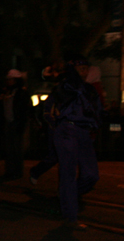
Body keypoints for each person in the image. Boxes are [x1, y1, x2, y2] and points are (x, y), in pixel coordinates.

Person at [42, 55, 101, 229]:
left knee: (91, 175)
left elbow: (97, 111)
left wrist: (95, 127)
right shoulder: (65, 86)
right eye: (80, 69)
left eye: (86, 69)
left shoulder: (90, 89)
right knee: (68, 173)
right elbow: (47, 109)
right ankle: (71, 216)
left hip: (83, 133)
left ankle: (68, 196)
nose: (84, 72)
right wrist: (58, 126)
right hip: (67, 131)